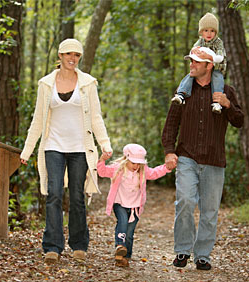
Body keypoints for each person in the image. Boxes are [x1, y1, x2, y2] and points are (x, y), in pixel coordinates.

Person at [20, 38, 113, 264]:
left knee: (77, 196)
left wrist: (105, 143)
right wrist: (27, 149)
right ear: (60, 56)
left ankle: (79, 245)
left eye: (77, 55)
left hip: (80, 148)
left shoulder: (88, 84)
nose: (72, 59)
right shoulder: (46, 84)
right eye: (68, 54)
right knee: (53, 194)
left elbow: (96, 116)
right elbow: (38, 119)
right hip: (53, 146)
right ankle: (52, 246)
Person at [162, 47, 244, 271]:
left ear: (209, 66)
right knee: (186, 202)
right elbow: (170, 125)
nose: (192, 65)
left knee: (209, 211)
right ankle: (182, 250)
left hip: (214, 160)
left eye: (197, 62)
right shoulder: (183, 92)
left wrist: (227, 104)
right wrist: (170, 151)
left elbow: (239, 121)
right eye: (191, 61)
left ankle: (203, 255)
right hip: (187, 157)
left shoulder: (225, 91)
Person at [97, 144, 172, 267]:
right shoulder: (118, 169)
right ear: (126, 159)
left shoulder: (142, 171)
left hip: (135, 207)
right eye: (133, 163)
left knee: (130, 234)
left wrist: (167, 168)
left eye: (138, 163)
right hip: (119, 202)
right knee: (122, 222)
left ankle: (125, 257)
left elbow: (155, 173)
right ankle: (119, 246)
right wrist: (102, 160)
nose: (136, 166)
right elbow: (102, 172)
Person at [171, 12, 227, 114]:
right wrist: (195, 51)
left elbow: (220, 57)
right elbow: (193, 49)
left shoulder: (218, 42)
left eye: (212, 31)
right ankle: (181, 95)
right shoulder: (200, 41)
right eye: (206, 30)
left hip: (217, 67)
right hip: (204, 69)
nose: (209, 33)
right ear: (201, 32)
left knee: (217, 79)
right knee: (189, 76)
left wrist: (209, 57)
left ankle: (217, 102)